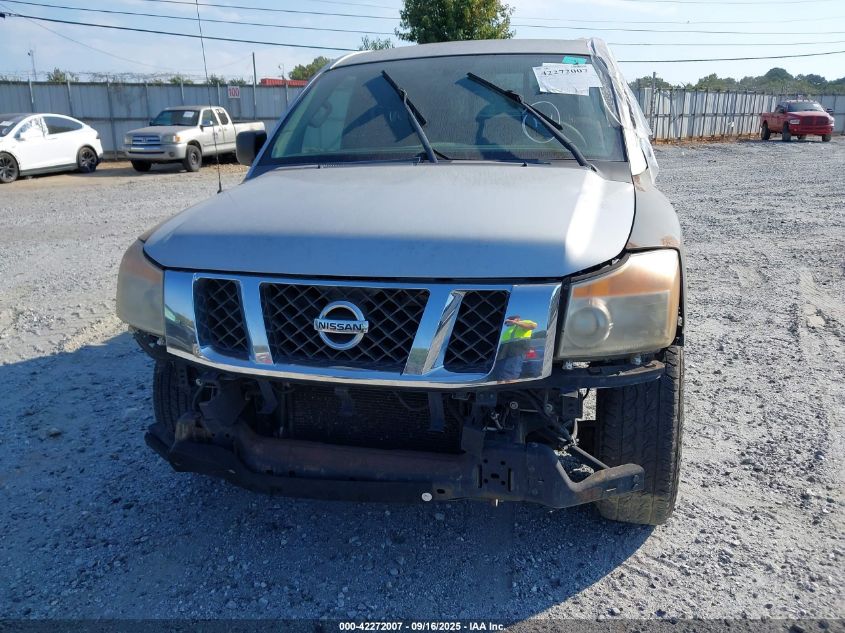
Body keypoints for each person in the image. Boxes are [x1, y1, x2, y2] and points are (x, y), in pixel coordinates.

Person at [497, 315, 538, 381]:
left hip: (516, 350)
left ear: (515, 319)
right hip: (504, 350)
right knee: (501, 371)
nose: (506, 323)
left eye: (508, 321)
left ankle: (508, 386)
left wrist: (514, 322)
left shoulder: (523, 322)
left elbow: (533, 326)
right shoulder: (510, 328)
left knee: (510, 373)